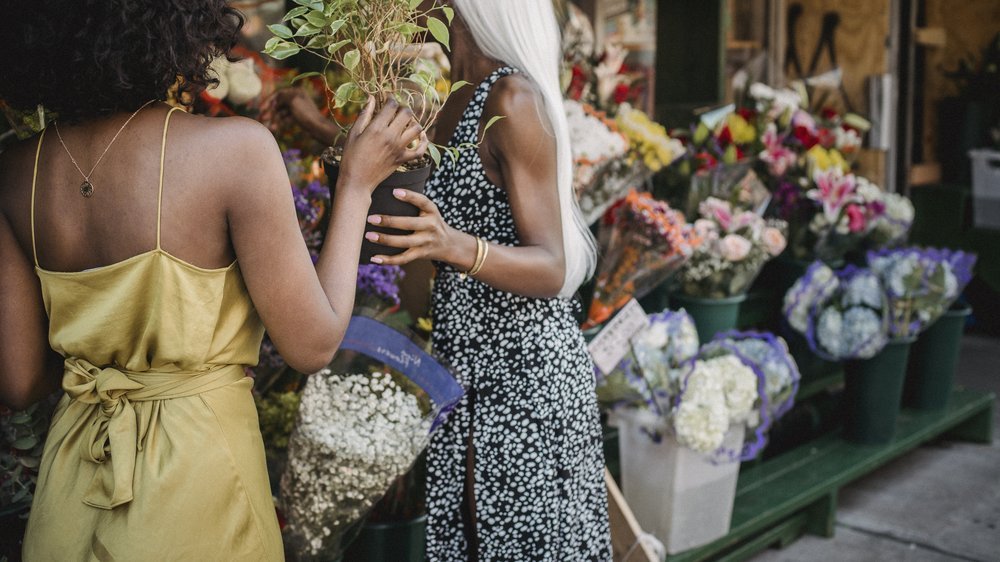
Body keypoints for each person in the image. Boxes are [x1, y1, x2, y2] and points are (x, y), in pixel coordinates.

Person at [0, 2, 425, 560]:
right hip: (199, 477)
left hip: (74, 477)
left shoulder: (16, 172)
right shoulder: (232, 151)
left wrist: (108, 351)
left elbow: (21, 381)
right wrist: (356, 185)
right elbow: (313, 343)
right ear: (174, 25)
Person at [367, 1, 612, 559]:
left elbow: (552, 268)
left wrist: (451, 244)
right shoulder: (452, 100)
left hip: (526, 373)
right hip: (463, 369)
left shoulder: (513, 99)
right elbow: (427, 257)